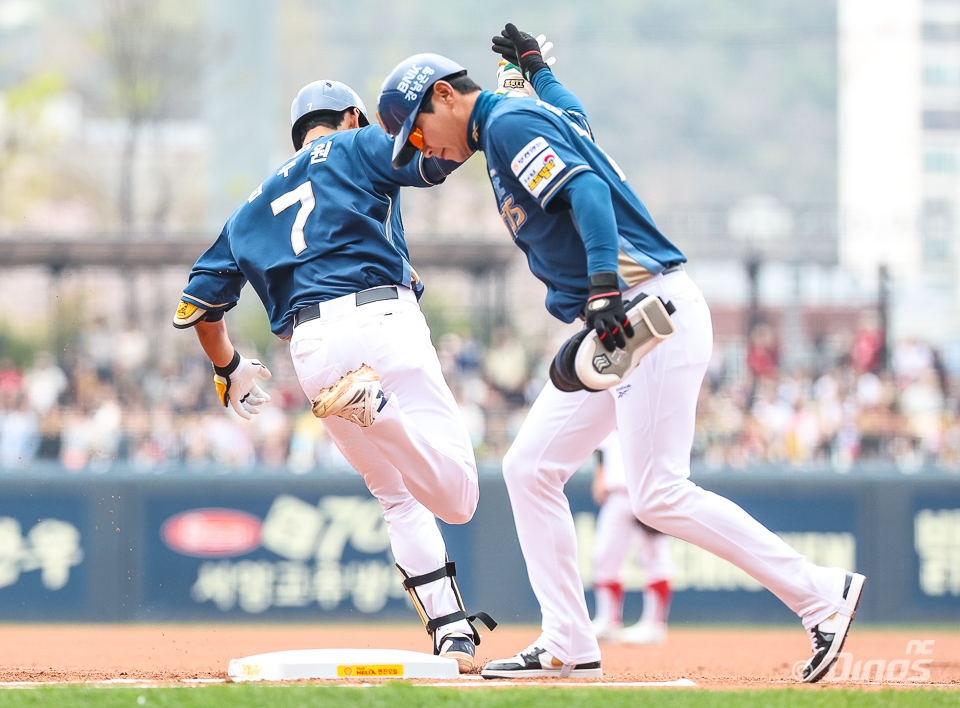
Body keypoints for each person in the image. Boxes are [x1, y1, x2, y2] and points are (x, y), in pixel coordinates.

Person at [376, 28, 864, 683]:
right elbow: (573, 116)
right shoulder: (518, 118)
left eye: (415, 129)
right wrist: (538, 70)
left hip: (643, 310)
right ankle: (568, 642)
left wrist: (604, 287)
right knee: (530, 467)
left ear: (444, 95)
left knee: (658, 492)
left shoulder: (508, 124)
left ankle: (821, 594)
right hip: (630, 319)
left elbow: (588, 192)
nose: (420, 146)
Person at [174, 79, 493, 672]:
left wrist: (230, 367)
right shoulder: (357, 142)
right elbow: (435, 157)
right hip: (382, 318)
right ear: (350, 115)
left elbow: (199, 304)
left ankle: (452, 630)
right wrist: (495, 112)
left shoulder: (252, 205)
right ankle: (378, 410)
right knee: (458, 500)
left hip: (313, 349)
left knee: (397, 498)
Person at [590, 430, 672, 645]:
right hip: (616, 496)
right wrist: (599, 479)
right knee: (605, 556)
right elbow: (601, 456)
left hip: (647, 496)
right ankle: (608, 621)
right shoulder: (607, 427)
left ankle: (655, 624)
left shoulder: (650, 421)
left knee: (654, 557)